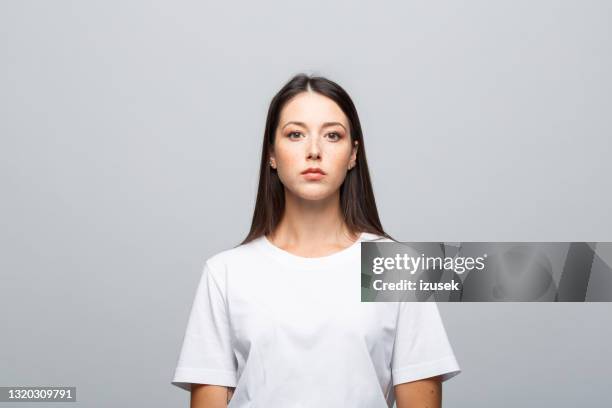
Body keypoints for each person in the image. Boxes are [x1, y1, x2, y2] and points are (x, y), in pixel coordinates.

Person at [171, 73, 461, 407]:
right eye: (295, 134)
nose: (314, 151)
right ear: (272, 154)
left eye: (332, 136)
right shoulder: (225, 273)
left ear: (353, 154)